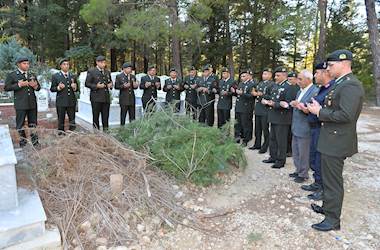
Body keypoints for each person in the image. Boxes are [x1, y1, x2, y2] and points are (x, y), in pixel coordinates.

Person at [308, 49, 364, 231]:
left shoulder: (350, 85)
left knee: (333, 182)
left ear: (344, 63)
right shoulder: (339, 83)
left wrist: (319, 112)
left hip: (336, 141)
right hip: (329, 139)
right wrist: (319, 108)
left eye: (331, 65)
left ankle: (333, 220)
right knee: (326, 177)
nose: (328, 69)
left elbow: (346, 115)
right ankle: (327, 208)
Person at [301, 62, 335, 201]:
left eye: (317, 73)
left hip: (323, 128)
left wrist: (316, 110)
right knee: (315, 157)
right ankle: (317, 182)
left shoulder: (332, 89)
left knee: (321, 159)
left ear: (325, 73)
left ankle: (322, 189)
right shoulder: (322, 89)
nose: (315, 75)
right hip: (315, 127)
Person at [288, 70, 319, 183]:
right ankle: (298, 170)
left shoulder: (314, 91)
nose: (298, 81)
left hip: (305, 127)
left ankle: (303, 173)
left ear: (308, 79)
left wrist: (300, 106)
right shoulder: (300, 91)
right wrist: (294, 103)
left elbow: (312, 110)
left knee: (304, 152)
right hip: (296, 125)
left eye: (300, 79)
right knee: (296, 150)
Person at [4, 57, 40, 147]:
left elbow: (38, 87)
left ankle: (35, 141)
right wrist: (19, 84)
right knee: (20, 124)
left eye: (28, 63)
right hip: (20, 103)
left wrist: (35, 86)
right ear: (19, 64)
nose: (27, 65)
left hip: (32, 103)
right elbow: (6, 87)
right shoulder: (12, 75)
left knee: (33, 123)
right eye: (24, 63)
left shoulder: (32, 74)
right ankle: (23, 142)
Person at [262, 66, 293, 168]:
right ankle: (273, 157)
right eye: (275, 75)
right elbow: (273, 98)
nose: (275, 77)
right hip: (274, 116)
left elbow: (288, 104)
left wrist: (273, 104)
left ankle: (280, 160)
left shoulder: (289, 87)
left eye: (278, 75)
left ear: (284, 75)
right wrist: (267, 102)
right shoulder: (275, 86)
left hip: (282, 118)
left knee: (281, 140)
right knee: (273, 139)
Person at [50, 58, 79, 133]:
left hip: (71, 101)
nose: (66, 66)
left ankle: (72, 132)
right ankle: (61, 133)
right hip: (61, 101)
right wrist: (58, 87)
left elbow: (77, 89)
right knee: (61, 119)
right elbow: (52, 89)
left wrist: (75, 87)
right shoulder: (56, 76)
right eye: (64, 64)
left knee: (72, 119)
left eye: (67, 64)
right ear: (60, 66)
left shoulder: (73, 76)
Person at [249, 68, 274, 153]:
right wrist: (255, 94)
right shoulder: (260, 83)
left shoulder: (272, 84)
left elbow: (272, 97)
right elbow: (257, 93)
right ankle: (257, 144)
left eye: (266, 74)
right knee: (257, 129)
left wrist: (262, 95)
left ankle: (265, 146)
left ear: (270, 75)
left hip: (266, 109)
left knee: (265, 129)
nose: (264, 76)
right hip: (258, 108)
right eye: (263, 74)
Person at [85, 55, 113, 131]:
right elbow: (87, 83)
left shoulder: (107, 72)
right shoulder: (92, 71)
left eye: (104, 62)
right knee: (96, 117)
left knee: (105, 117)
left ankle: (106, 133)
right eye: (101, 62)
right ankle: (96, 134)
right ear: (97, 62)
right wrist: (96, 86)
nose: (103, 64)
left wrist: (110, 85)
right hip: (96, 98)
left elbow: (109, 82)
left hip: (106, 98)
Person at [233, 70, 255, 147]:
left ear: (248, 76)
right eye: (241, 76)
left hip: (246, 108)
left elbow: (252, 96)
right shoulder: (240, 83)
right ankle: (237, 137)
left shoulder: (251, 85)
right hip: (239, 106)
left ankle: (246, 139)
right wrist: (235, 92)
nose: (242, 78)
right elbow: (238, 95)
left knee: (245, 124)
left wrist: (242, 93)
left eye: (244, 76)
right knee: (237, 123)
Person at [286, 72, 300, 157]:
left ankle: (291, 150)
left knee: (292, 132)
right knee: (287, 132)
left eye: (291, 79)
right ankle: (288, 149)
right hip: (286, 112)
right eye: (288, 79)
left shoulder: (299, 88)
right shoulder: (287, 87)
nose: (289, 81)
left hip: (294, 112)